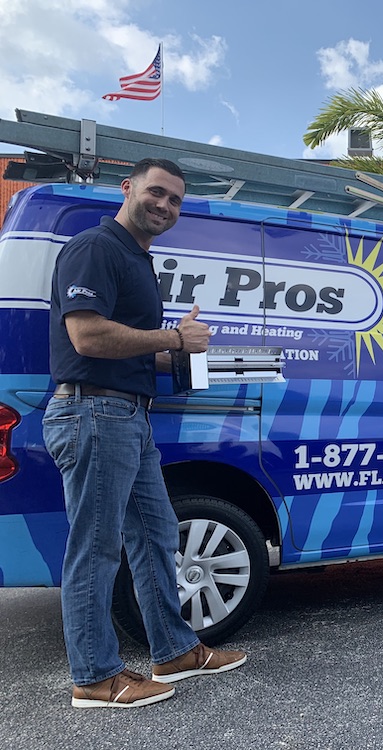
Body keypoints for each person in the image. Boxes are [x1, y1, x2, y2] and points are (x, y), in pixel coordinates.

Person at [42, 158, 246, 709]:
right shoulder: (96, 248)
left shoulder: (137, 261)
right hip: (94, 415)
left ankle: (173, 651)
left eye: (176, 200)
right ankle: (94, 675)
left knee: (156, 535)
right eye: (157, 192)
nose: (165, 205)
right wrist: (175, 339)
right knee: (97, 548)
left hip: (128, 418)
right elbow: (87, 337)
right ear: (128, 188)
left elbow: (134, 350)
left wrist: (191, 354)